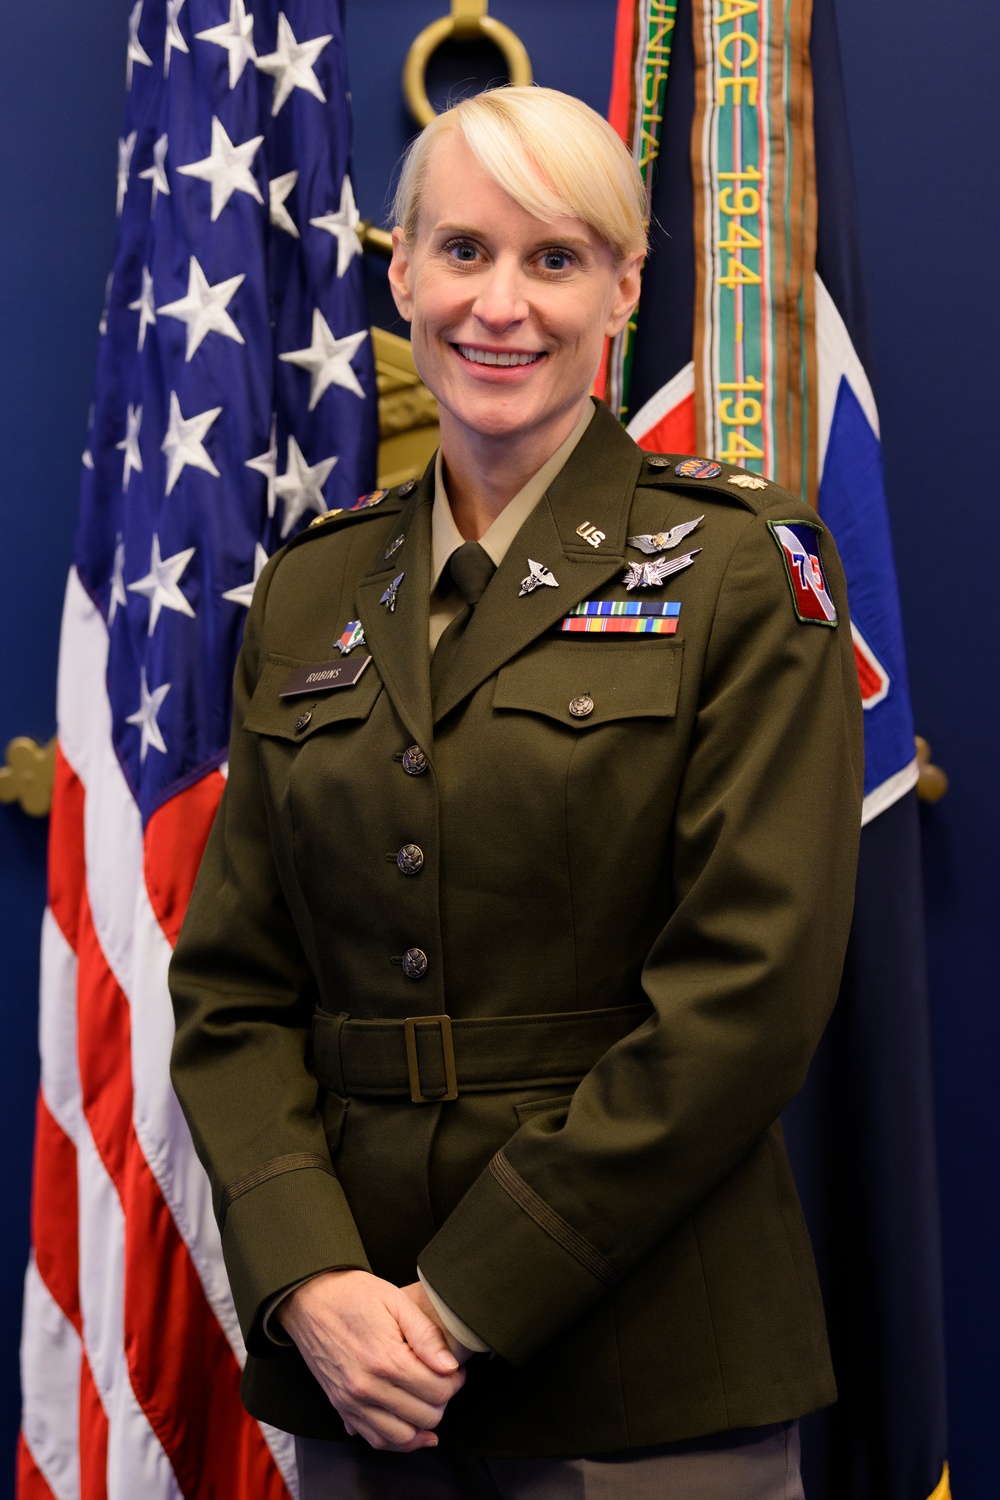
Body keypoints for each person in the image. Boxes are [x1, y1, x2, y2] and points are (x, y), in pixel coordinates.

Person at [169, 85, 863, 1499]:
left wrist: (460, 1302)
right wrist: (310, 1276)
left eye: (555, 259)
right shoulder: (311, 588)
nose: (503, 305)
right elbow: (233, 993)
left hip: (648, 1375)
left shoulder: (742, 566)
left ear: (624, 285)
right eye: (466, 252)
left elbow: (748, 994)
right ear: (405, 270)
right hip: (360, 1376)